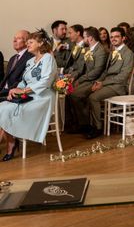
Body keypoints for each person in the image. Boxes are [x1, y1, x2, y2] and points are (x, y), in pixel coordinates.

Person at [0, 30, 58, 161]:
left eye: (31, 42)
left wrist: (24, 91)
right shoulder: (30, 61)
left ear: (41, 43)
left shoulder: (48, 58)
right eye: (27, 42)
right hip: (28, 95)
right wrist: (14, 90)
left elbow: (46, 81)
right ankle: (11, 142)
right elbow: (23, 81)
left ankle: (11, 144)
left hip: (42, 97)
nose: (28, 44)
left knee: (5, 109)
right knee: (2, 106)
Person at [85, 27, 134, 139]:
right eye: (111, 37)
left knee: (93, 97)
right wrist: (99, 81)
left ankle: (97, 127)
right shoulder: (113, 51)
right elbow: (106, 71)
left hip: (119, 86)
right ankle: (90, 125)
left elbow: (123, 76)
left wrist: (103, 83)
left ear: (123, 38)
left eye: (116, 36)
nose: (113, 39)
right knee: (87, 92)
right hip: (108, 83)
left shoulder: (128, 53)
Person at [67, 27, 108, 133]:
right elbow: (81, 67)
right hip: (87, 79)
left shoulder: (100, 51)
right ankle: (78, 122)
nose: (83, 39)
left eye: (84, 37)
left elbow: (97, 71)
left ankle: (85, 124)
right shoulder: (88, 49)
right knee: (69, 91)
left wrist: (80, 80)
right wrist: (73, 76)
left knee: (75, 94)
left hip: (96, 80)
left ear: (90, 38)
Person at [0, 30, 34, 100]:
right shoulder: (13, 58)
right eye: (14, 38)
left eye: (18, 38)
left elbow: (24, 79)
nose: (14, 40)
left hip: (12, 92)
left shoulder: (31, 57)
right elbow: (5, 79)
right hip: (2, 90)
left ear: (27, 42)